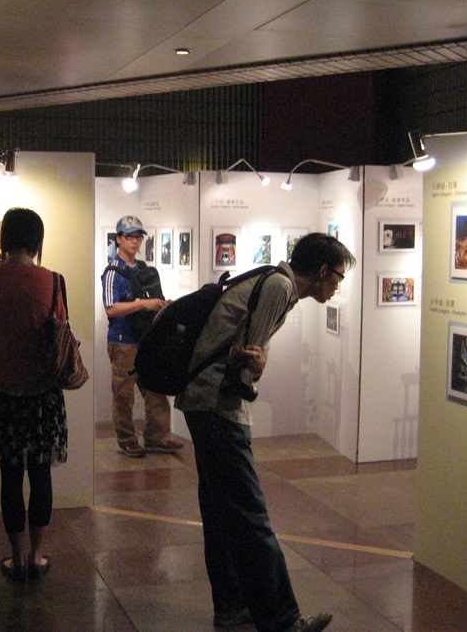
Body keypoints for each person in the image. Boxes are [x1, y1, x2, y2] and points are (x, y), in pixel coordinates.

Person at [175, 232, 355, 632]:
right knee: (251, 515)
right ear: (322, 271)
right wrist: (255, 367)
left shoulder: (273, 281)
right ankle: (282, 620)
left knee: (221, 512)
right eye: (338, 276)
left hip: (201, 401)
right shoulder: (280, 286)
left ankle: (231, 606)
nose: (338, 285)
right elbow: (247, 359)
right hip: (218, 407)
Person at [0, 207, 68, 581]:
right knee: (41, 474)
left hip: (1, 393)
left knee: (10, 478)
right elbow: (59, 333)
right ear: (37, 240)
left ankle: (16, 557)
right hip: (43, 394)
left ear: (6, 239)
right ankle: (38, 555)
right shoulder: (53, 281)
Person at [103, 215, 184, 458]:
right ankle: (127, 439)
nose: (135, 241)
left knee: (156, 388)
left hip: (146, 339)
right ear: (118, 239)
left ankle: (157, 437)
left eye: (138, 236)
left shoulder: (145, 270)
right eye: (130, 236)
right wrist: (142, 304)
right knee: (124, 394)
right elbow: (110, 308)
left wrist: (160, 305)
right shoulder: (112, 272)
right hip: (123, 340)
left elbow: (150, 301)